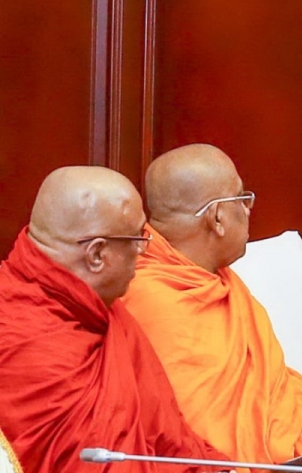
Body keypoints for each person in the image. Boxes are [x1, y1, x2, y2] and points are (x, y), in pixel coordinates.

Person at [0, 167, 226, 473]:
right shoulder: (23, 338)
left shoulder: (105, 310)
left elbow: (170, 442)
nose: (144, 252)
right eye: (137, 238)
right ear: (97, 255)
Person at [121, 144, 302, 463]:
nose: (248, 210)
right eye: (243, 199)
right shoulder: (153, 300)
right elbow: (197, 439)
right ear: (217, 218)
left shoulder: (214, 276)